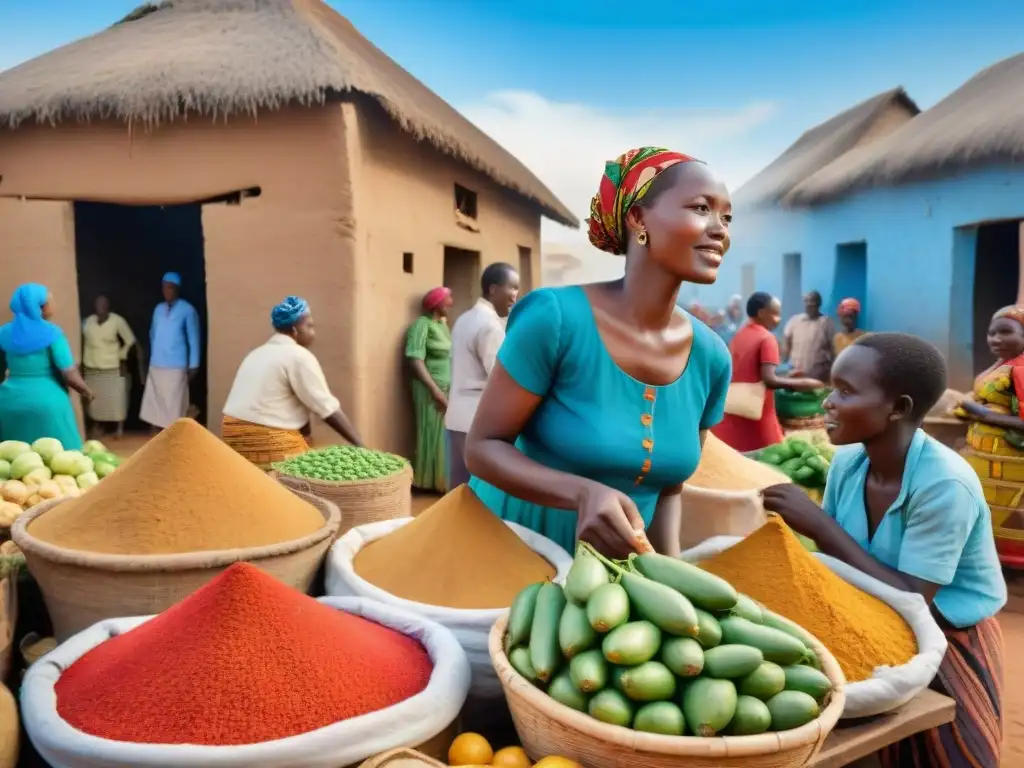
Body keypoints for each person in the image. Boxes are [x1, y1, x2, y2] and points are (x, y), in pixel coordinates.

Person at [466, 147, 733, 558]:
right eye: (701, 208)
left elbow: (666, 492)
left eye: (727, 217)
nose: (719, 230)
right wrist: (580, 493)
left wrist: (669, 576)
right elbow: (482, 447)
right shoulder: (556, 318)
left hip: (614, 586)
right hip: (511, 550)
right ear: (638, 218)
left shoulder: (712, 358)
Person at [761, 333, 1005, 768]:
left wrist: (819, 524)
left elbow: (914, 597)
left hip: (946, 629)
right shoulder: (848, 463)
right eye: (833, 388)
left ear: (899, 408)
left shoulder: (943, 485)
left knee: (952, 753)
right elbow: (835, 564)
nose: (828, 403)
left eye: (847, 391)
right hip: (868, 611)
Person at [222, 296, 363, 469]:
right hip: (264, 434)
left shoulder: (258, 353)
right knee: (304, 475)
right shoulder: (298, 356)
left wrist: (306, 437)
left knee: (300, 453)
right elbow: (326, 408)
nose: (313, 333)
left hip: (231, 432)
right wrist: (361, 446)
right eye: (309, 326)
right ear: (295, 330)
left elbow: (299, 402)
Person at [955, 305, 1024, 565]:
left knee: (1000, 509)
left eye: (1006, 332)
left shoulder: (1020, 369)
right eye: (992, 333)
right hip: (983, 454)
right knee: (979, 504)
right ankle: (982, 556)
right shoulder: (1001, 365)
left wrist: (982, 415)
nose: (996, 339)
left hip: (1007, 461)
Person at [713, 292, 824, 452]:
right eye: (776, 314)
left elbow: (748, 371)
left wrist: (786, 376)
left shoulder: (740, 335)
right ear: (762, 313)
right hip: (756, 419)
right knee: (773, 462)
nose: (778, 320)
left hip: (731, 416)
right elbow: (770, 380)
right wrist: (806, 383)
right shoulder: (767, 338)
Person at [446, 263, 520, 490]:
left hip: (455, 418)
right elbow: (499, 378)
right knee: (480, 494)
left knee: (459, 491)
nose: (515, 296)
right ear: (493, 289)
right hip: (477, 421)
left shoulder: (464, 319)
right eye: (512, 288)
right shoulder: (490, 326)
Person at [0, 284, 92, 449]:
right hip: (48, 401)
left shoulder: (3, 333)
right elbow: (69, 373)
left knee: (12, 458)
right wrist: (86, 391)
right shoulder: (52, 333)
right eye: (50, 301)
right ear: (41, 307)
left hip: (9, 401)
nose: (53, 304)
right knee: (65, 455)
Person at [405, 287, 453, 492]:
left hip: (446, 386)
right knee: (430, 432)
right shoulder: (421, 325)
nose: (451, 302)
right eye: (448, 299)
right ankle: (427, 483)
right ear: (438, 304)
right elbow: (416, 360)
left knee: (443, 435)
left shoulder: (442, 326)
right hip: (428, 389)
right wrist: (434, 390)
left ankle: (441, 481)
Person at [140, 272, 200, 431]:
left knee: (174, 402)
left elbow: (193, 338)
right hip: (157, 361)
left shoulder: (187, 309)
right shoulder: (158, 309)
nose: (167, 291)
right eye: (165, 287)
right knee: (156, 401)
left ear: (177, 289)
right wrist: (151, 357)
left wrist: (194, 363)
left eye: (171, 288)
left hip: (177, 363)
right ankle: (156, 432)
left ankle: (173, 432)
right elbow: (152, 334)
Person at [82, 295, 139, 440]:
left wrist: (122, 356)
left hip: (111, 365)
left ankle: (119, 429)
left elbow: (130, 340)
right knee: (95, 400)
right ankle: (97, 427)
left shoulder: (117, 321)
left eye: (104, 304)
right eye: (98, 304)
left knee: (115, 399)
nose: (101, 307)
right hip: (92, 366)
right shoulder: (88, 321)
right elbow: (82, 339)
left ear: (108, 306)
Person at [782, 290, 835, 383]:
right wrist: (785, 362)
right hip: (796, 376)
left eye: (813, 303)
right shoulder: (794, 321)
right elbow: (786, 343)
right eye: (807, 302)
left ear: (819, 304)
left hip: (818, 378)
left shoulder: (826, 323)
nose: (809, 305)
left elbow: (832, 350)